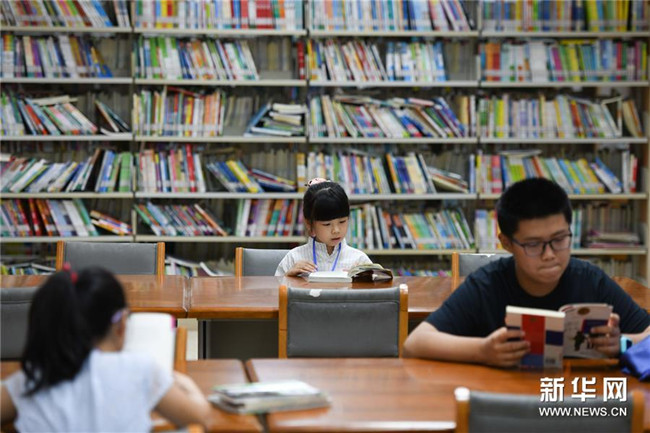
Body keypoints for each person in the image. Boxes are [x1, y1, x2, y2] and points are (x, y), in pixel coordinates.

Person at [404, 178, 650, 367]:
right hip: (505, 400)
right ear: (507, 243)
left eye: (559, 239)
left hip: (571, 402)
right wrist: (483, 351)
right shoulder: (487, 285)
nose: (549, 254)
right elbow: (414, 343)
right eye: (533, 244)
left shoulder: (590, 280)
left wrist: (622, 342)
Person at [0, 266, 212, 431]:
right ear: (121, 324)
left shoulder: (31, 380)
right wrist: (187, 384)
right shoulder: (141, 370)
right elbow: (202, 417)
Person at [276, 178, 372, 276]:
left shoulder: (359, 260)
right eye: (327, 224)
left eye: (342, 221)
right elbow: (276, 285)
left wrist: (362, 281)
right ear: (309, 223)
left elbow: (375, 285)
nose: (336, 230)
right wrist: (288, 277)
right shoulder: (294, 258)